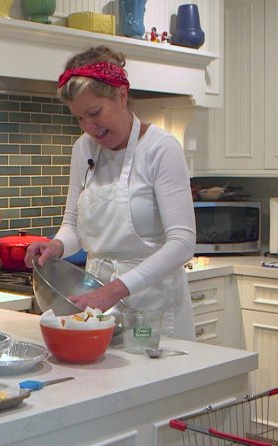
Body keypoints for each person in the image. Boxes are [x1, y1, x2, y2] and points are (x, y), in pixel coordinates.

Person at [24, 46, 196, 340]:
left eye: (94, 113)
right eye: (79, 118)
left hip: (153, 306)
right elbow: (73, 224)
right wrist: (57, 245)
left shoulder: (160, 149)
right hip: (95, 304)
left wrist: (114, 290)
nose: (89, 127)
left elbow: (182, 243)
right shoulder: (83, 149)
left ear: (121, 96)